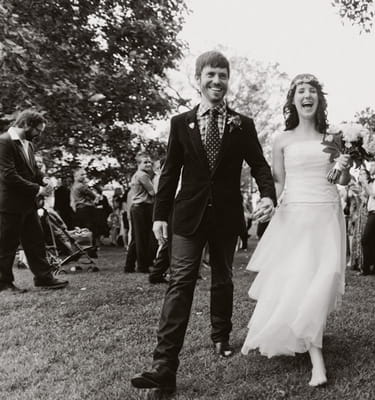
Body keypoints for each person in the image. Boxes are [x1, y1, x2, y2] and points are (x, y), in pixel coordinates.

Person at [131, 51, 276, 394]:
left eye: (223, 75)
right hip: (187, 215)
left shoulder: (243, 124)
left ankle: (220, 335)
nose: (216, 81)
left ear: (228, 80)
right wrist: (159, 216)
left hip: (226, 215)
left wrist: (268, 194)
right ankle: (163, 366)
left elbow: (259, 165)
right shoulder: (181, 123)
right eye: (210, 74)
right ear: (197, 78)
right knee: (180, 282)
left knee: (223, 278)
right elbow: (170, 172)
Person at [241, 73, 351, 387]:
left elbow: (338, 181)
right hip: (295, 214)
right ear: (293, 101)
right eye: (301, 91)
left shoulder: (332, 137)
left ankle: (308, 334)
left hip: (328, 213)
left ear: (319, 99)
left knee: (326, 275)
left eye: (312, 90)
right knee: (302, 280)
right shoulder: (282, 139)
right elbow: (277, 182)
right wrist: (269, 202)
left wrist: (343, 168)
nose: (307, 95)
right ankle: (318, 363)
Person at [0, 109, 68, 292]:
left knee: (36, 241)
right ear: (26, 124)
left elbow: (33, 171)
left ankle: (44, 278)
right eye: (37, 130)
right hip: (10, 204)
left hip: (28, 205)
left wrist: (43, 180)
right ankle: (3, 282)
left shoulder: (28, 145)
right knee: (7, 244)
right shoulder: (4, 142)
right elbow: (8, 175)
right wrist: (38, 189)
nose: (39, 134)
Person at [128, 152, 157, 274]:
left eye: (150, 162)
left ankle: (129, 265)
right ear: (138, 164)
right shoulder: (143, 176)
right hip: (142, 208)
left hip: (137, 208)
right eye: (145, 162)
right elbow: (153, 192)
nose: (149, 164)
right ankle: (142, 266)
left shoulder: (136, 175)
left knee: (136, 238)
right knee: (142, 238)